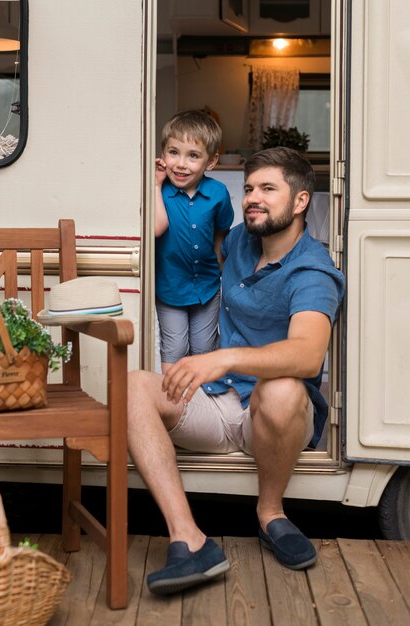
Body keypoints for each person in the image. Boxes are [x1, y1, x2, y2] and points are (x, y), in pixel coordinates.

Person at [129, 146, 345, 595]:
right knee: (132, 387)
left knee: (283, 388)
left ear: (300, 201)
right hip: (217, 403)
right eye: (248, 188)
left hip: (268, 419)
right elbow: (186, 241)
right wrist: (160, 181)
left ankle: (270, 514)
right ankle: (189, 539)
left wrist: (221, 358)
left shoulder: (313, 271)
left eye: (268, 188)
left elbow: (307, 355)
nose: (252, 198)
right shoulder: (239, 242)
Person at [155, 110, 234, 374]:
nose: (180, 164)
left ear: (210, 162)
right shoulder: (158, 191)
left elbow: (221, 231)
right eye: (173, 152)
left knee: (203, 350)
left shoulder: (218, 194)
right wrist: (154, 185)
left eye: (193, 156)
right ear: (163, 153)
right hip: (169, 288)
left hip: (207, 287)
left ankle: (203, 408)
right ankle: (172, 409)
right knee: (174, 348)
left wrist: (219, 265)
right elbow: (157, 228)